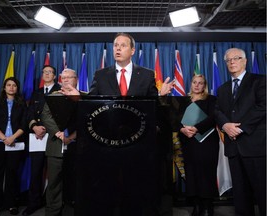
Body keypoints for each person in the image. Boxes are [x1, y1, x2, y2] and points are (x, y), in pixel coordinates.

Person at [60, 32, 175, 216]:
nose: (118, 48)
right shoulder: (101, 74)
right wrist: (77, 96)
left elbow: (152, 106)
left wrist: (161, 97)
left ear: (132, 50)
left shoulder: (146, 75)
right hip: (107, 144)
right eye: (115, 45)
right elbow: (92, 102)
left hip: (138, 145)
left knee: (135, 191)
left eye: (123, 45)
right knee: (108, 191)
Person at [215, 48, 266, 216]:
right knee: (240, 195)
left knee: (263, 192)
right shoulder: (222, 89)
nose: (232, 62)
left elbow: (263, 107)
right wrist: (225, 126)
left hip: (255, 146)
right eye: (228, 60)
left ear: (244, 61)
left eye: (236, 58)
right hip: (234, 149)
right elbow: (217, 111)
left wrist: (239, 128)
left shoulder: (259, 81)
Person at [23, 65, 61, 216]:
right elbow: (30, 113)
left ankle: (53, 205)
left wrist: (48, 129)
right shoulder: (36, 93)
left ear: (55, 75)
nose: (46, 74)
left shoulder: (60, 90)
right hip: (37, 136)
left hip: (53, 136)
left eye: (49, 72)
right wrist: (34, 127)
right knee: (36, 171)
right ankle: (33, 202)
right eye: (44, 72)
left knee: (54, 173)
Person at [179, 74, 219, 216]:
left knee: (206, 174)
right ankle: (197, 206)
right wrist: (182, 129)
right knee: (192, 174)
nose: (197, 85)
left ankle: (208, 207)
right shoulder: (184, 101)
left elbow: (214, 117)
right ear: (191, 84)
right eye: (194, 82)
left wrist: (197, 128)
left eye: (200, 83)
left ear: (204, 85)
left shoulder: (211, 99)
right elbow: (176, 120)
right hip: (189, 142)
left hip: (207, 142)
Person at [0, 77, 27, 216]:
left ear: (17, 88)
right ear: (4, 88)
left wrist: (12, 138)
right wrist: (5, 138)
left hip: (15, 144)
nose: (11, 87)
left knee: (12, 174)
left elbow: (24, 124)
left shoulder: (21, 104)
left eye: (14, 85)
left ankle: (11, 204)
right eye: (8, 85)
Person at [41, 68, 78, 216]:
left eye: (70, 77)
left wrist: (72, 136)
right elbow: (45, 116)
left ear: (76, 79)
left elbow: (87, 118)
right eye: (64, 78)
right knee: (54, 181)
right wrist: (59, 133)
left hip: (77, 146)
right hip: (56, 144)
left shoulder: (82, 97)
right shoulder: (53, 96)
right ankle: (53, 211)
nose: (67, 80)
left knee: (76, 180)